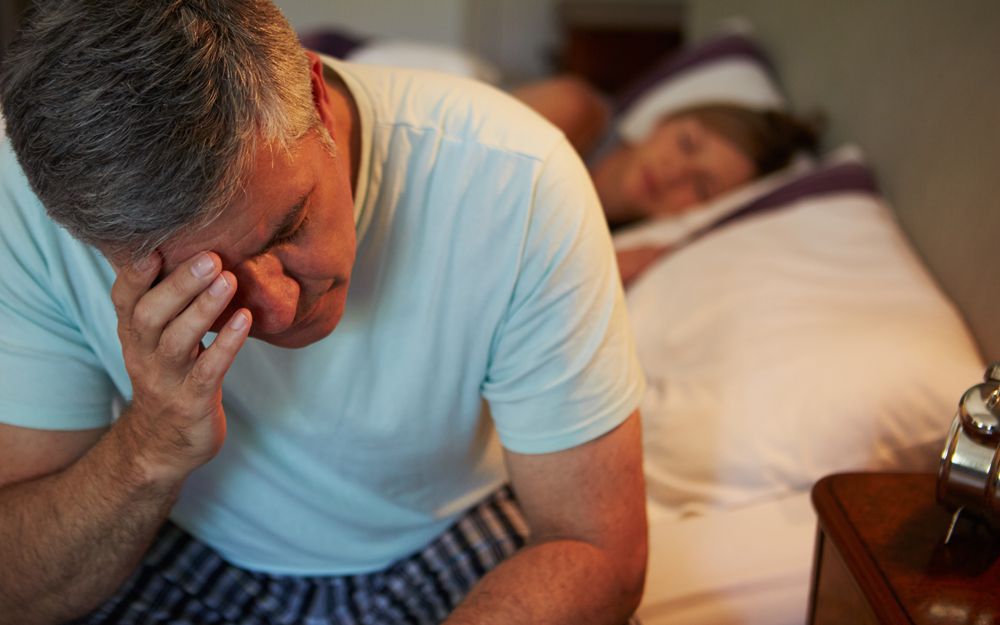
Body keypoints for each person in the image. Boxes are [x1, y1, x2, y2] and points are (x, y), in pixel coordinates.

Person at [0, 2, 646, 624]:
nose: (279, 308)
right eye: (204, 281)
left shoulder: (516, 178)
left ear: (317, 100)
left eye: (290, 224)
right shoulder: (26, 201)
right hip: (180, 541)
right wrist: (151, 446)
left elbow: (597, 547)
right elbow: (15, 588)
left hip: (441, 529)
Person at [513, 76, 819, 285]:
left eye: (701, 186)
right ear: (665, 120)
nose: (673, 173)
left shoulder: (628, 249)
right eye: (686, 143)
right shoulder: (572, 113)